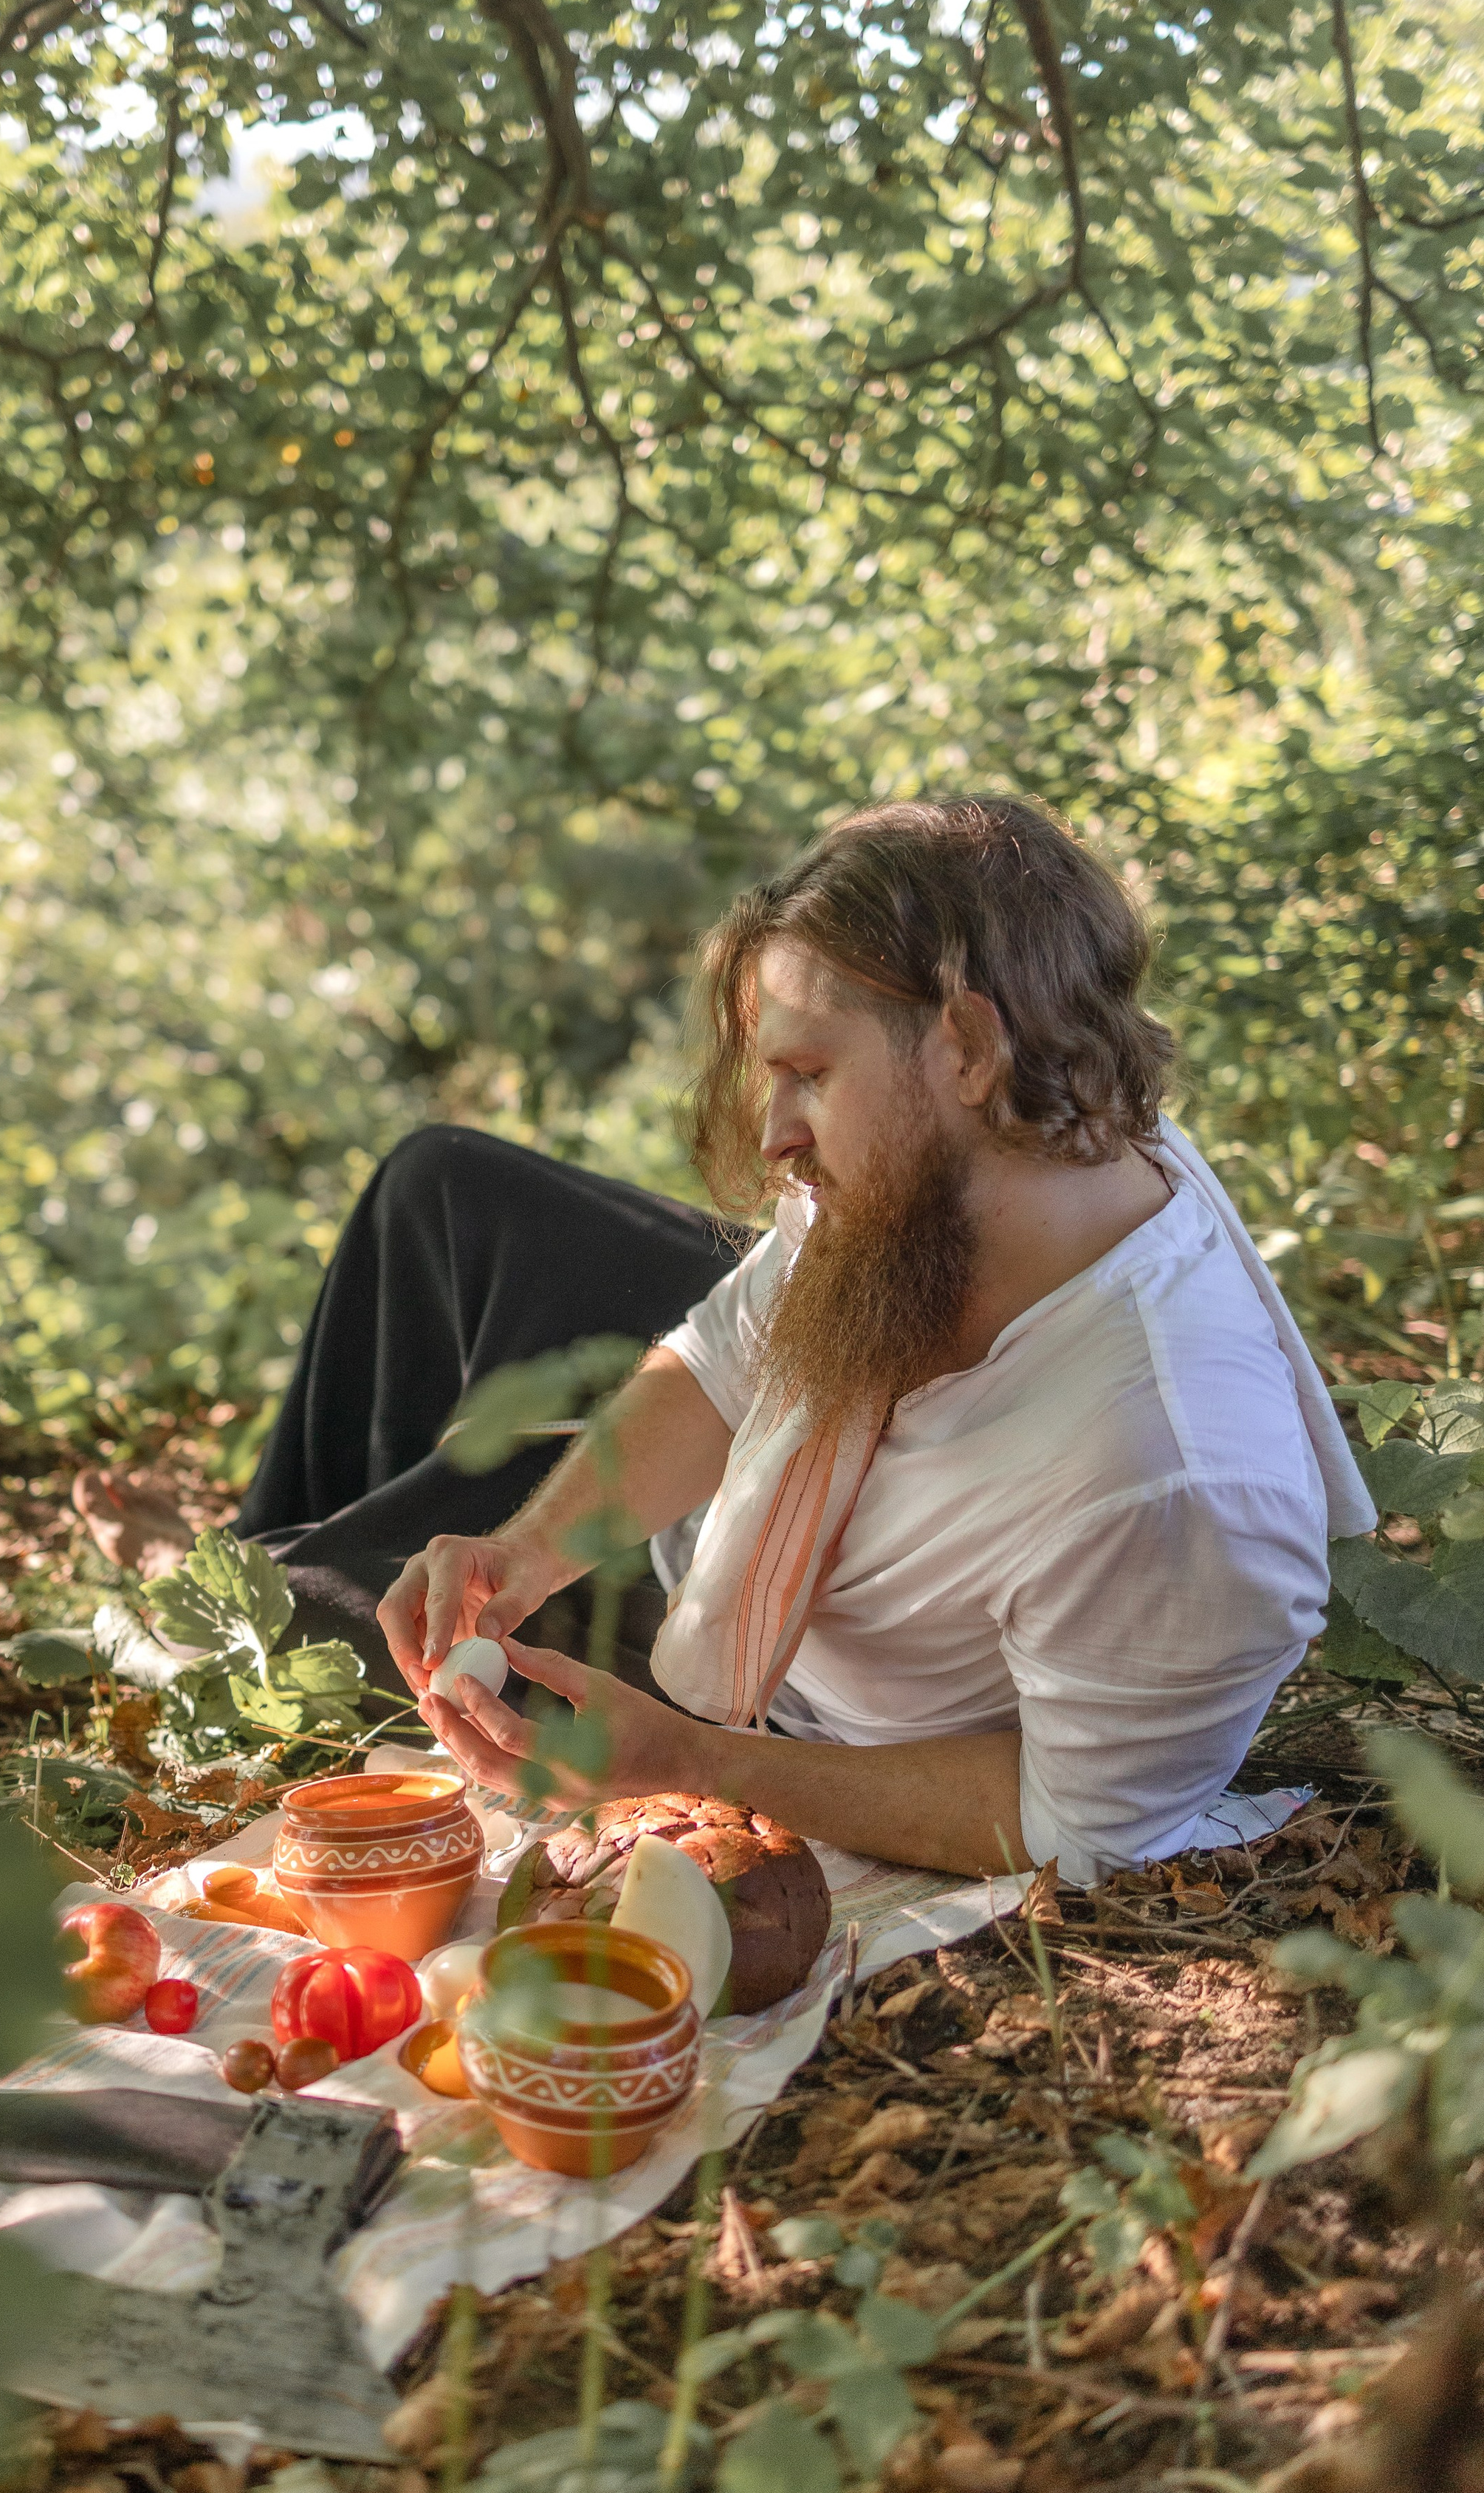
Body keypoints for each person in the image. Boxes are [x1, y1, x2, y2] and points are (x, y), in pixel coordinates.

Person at [75, 796, 1374, 1884]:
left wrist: (692, 1763)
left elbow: (1072, 1822)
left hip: (768, 1708)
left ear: (970, 1047)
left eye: (808, 1072)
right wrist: (527, 1552)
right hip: (761, 1526)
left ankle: (229, 1570)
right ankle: (344, 1529)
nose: (775, 1136)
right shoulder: (1011, 1149)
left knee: (296, 1615)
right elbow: (724, 1356)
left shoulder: (1178, 1479)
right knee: (447, 1194)